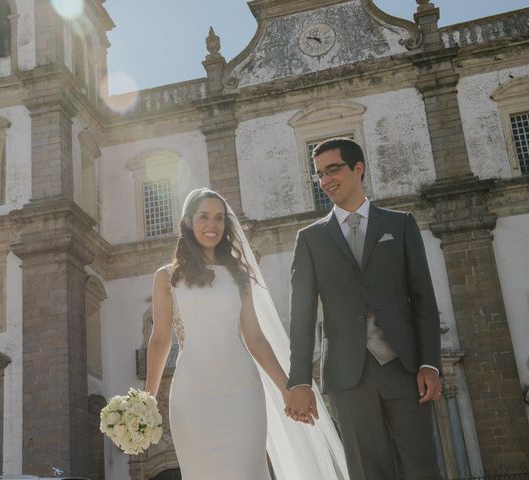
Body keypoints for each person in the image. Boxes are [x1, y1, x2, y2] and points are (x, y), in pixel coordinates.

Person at [145, 188, 348, 480]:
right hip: (192, 395)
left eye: (219, 218)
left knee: (248, 471)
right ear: (188, 222)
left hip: (242, 392)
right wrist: (147, 399)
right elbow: (160, 339)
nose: (212, 225)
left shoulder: (237, 274)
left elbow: (255, 337)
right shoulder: (167, 277)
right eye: (203, 217)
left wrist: (286, 388)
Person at [285, 137, 444, 480]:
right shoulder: (310, 239)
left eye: (333, 169)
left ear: (358, 168)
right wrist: (299, 381)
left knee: (423, 468)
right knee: (368, 473)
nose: (325, 180)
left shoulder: (400, 225)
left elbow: (423, 299)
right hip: (346, 377)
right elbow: (302, 316)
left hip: (404, 369)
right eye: (319, 174)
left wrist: (430, 362)